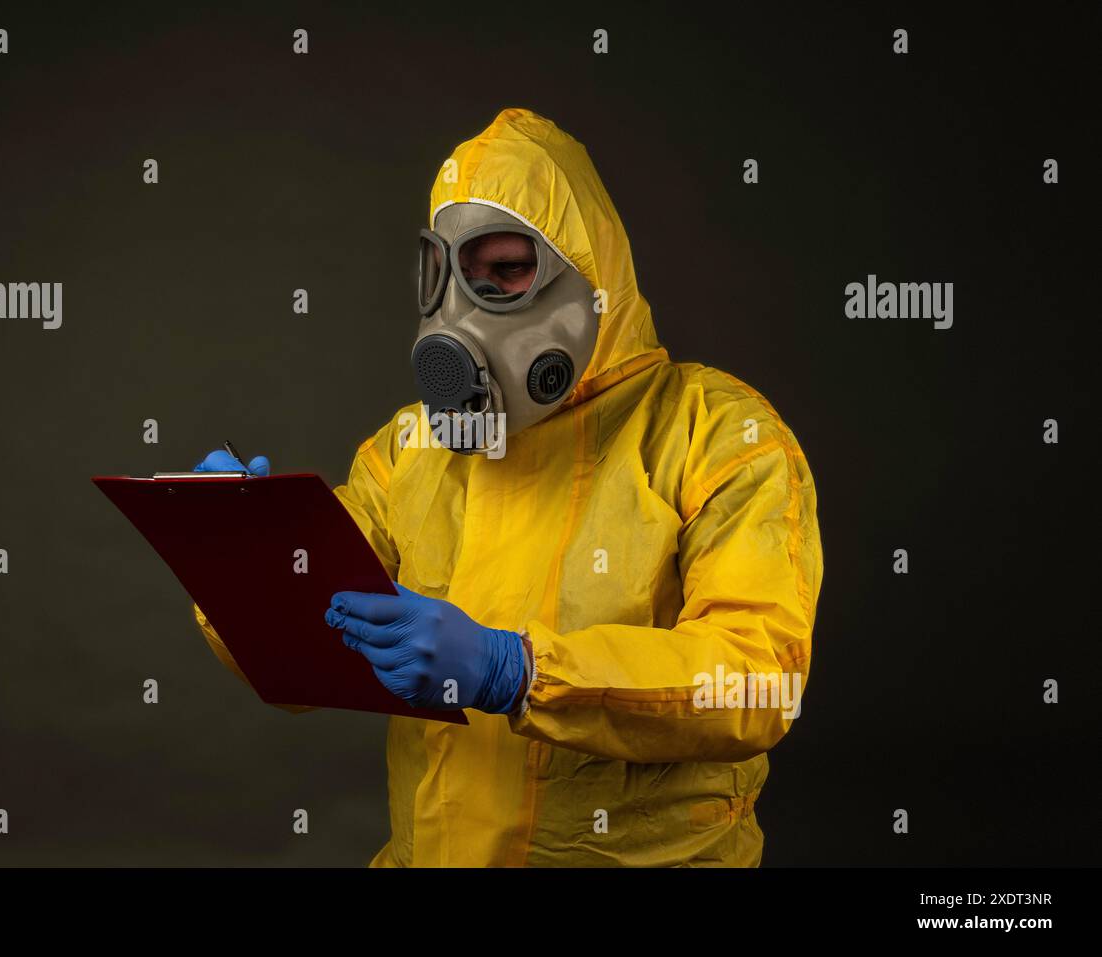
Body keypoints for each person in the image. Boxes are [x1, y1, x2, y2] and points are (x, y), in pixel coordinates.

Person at [192, 107, 823, 867]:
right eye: (450, 274)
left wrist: (519, 672)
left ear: (589, 280)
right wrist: (241, 553)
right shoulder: (413, 449)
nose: (464, 312)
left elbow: (754, 679)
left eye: (506, 271)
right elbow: (299, 656)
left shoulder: (713, 434)